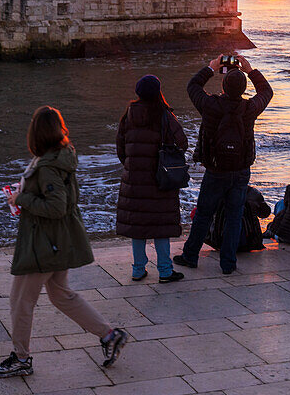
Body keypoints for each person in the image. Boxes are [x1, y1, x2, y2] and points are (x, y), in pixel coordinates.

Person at [0, 106, 127, 378]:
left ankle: (21, 358)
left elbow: (56, 206)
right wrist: (24, 193)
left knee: (20, 301)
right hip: (57, 240)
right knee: (61, 295)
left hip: (44, 245)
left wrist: (21, 199)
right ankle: (109, 335)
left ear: (36, 134)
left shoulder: (48, 166)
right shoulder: (59, 158)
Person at [175, 54, 273, 275]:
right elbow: (267, 92)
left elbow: (193, 86)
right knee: (234, 215)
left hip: (216, 168)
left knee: (204, 213)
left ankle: (191, 255)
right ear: (243, 88)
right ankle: (228, 263)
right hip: (240, 170)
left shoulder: (210, 105)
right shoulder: (249, 109)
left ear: (223, 84)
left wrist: (210, 68)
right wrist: (250, 70)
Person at [115, 75, 187, 283]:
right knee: (160, 225)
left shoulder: (128, 116)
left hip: (135, 181)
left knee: (138, 227)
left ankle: (138, 270)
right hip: (160, 180)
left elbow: (121, 149)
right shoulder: (164, 115)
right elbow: (182, 142)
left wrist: (133, 166)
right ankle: (165, 271)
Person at [203, 186, 270, 251]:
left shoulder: (217, 192)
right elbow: (265, 214)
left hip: (219, 243)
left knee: (199, 213)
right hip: (250, 243)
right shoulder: (252, 192)